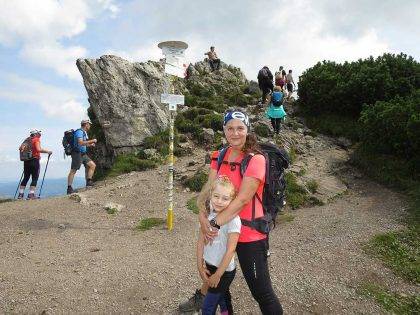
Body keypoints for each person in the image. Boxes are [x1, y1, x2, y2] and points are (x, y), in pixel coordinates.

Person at [180, 109, 283, 314]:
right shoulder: (219, 155)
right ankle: (205, 298)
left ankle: (202, 297)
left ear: (247, 130)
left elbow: (243, 199)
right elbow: (208, 191)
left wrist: (213, 223)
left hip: (249, 234)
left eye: (240, 128)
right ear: (224, 130)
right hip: (219, 230)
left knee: (261, 291)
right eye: (230, 128)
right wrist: (202, 216)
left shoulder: (256, 159)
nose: (235, 133)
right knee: (218, 276)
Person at [197, 175, 241, 315]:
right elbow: (200, 241)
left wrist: (218, 275)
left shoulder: (233, 220)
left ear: (232, 200)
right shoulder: (208, 214)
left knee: (207, 308)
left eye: (225, 198)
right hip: (210, 265)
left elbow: (231, 250)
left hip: (224, 271)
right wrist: (200, 265)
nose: (220, 202)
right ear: (210, 195)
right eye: (216, 196)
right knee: (223, 297)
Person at [17, 129, 52, 200]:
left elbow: (20, 148)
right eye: (39, 134)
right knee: (35, 177)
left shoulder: (27, 140)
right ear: (36, 134)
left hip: (26, 160)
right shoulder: (36, 139)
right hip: (34, 160)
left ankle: (20, 195)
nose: (40, 135)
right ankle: (31, 195)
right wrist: (48, 151)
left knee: (26, 177)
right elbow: (38, 149)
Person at [67, 120, 97, 194]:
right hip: (77, 153)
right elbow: (80, 142)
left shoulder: (83, 132)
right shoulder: (79, 132)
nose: (90, 126)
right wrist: (92, 141)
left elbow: (83, 144)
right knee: (73, 170)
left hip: (83, 154)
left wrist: (90, 145)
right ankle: (69, 188)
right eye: (89, 124)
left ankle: (89, 182)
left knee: (92, 165)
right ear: (86, 124)